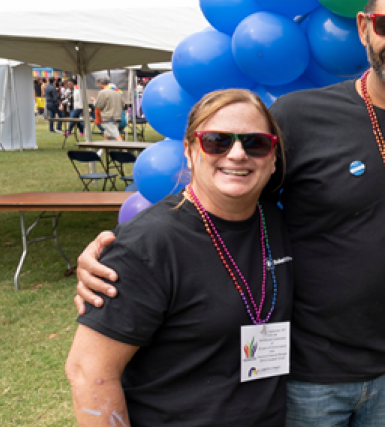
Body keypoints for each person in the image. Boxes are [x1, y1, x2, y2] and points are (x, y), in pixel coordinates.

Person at [76, 0, 385, 426]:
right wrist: (130, 250)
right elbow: (224, 188)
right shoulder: (300, 117)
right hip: (304, 374)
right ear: (363, 28)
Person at [65, 89, 293, 426]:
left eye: (255, 143)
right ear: (189, 151)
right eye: (217, 141)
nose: (237, 154)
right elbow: (89, 373)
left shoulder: (275, 222)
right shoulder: (147, 244)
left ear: (272, 157)